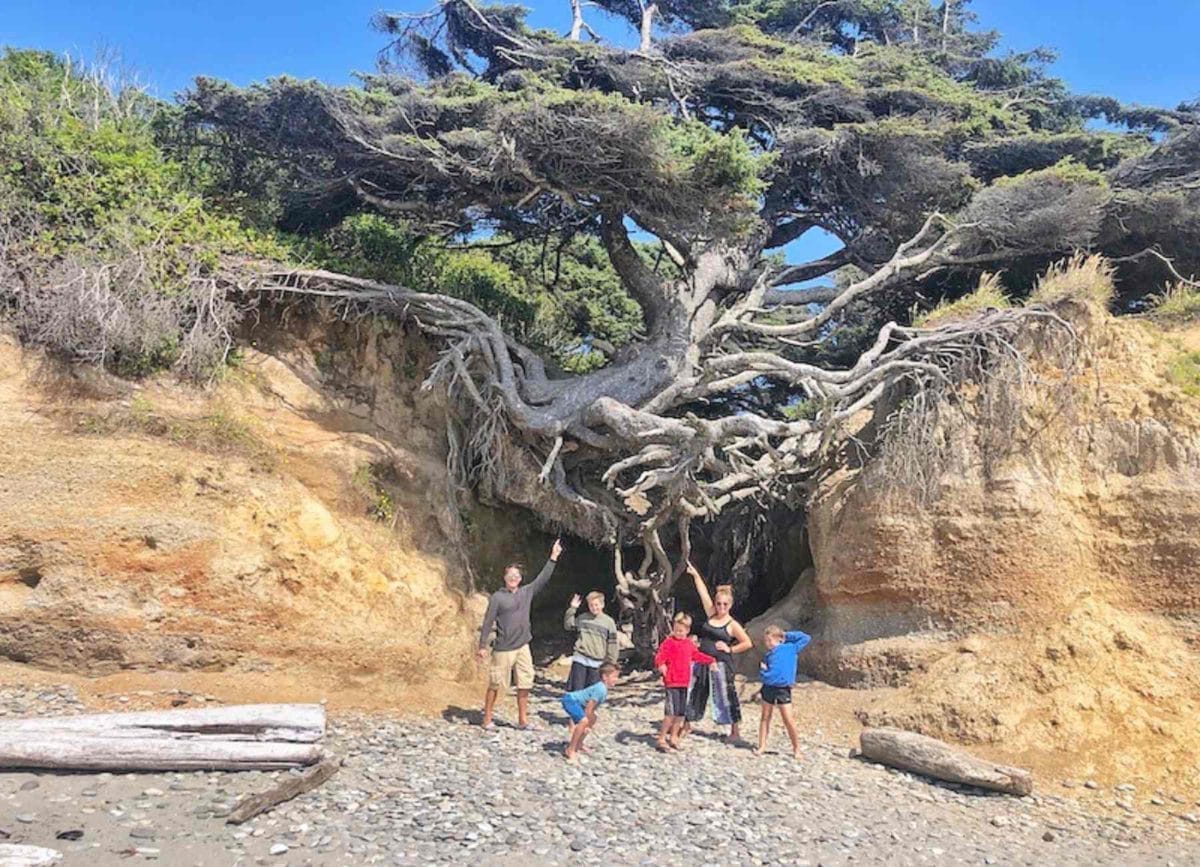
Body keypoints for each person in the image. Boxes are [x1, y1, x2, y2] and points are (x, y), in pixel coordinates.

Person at [476, 538, 563, 731]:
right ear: (505, 578)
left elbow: (543, 578)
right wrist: (482, 646)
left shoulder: (526, 592)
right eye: (510, 575)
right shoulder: (498, 598)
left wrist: (553, 557)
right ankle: (487, 719)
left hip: (523, 646)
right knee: (496, 684)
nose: (514, 578)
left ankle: (523, 720)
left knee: (525, 683)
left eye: (516, 575)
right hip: (503, 648)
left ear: (520, 578)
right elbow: (488, 622)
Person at [682, 561, 753, 743]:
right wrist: (696, 575)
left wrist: (730, 648)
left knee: (727, 695)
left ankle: (734, 731)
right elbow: (703, 593)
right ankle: (687, 724)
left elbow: (747, 643)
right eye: (719, 603)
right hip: (702, 662)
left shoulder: (732, 624)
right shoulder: (711, 614)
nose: (721, 607)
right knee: (696, 691)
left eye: (724, 604)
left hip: (721, 665)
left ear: (730, 605)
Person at [654, 612, 717, 753]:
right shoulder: (669, 642)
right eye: (676, 630)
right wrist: (661, 665)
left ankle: (674, 737)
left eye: (681, 631)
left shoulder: (689, 644)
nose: (678, 633)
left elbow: (696, 655)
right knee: (670, 712)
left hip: (684, 682)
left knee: (680, 713)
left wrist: (711, 660)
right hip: (671, 682)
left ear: (687, 631)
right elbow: (660, 656)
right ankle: (662, 737)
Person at [755, 625, 811, 758]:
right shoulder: (769, 655)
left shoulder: (790, 648)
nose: (768, 644)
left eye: (770, 640)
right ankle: (761, 746)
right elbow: (767, 673)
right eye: (766, 641)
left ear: (778, 639)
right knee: (765, 717)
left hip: (783, 689)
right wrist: (763, 671)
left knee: (788, 719)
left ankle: (797, 749)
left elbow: (806, 638)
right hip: (768, 687)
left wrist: (785, 635)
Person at [560, 661, 620, 761]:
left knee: (592, 719)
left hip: (576, 702)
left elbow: (593, 708)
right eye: (614, 677)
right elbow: (589, 707)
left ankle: (579, 743)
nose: (616, 680)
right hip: (570, 700)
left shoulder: (603, 689)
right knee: (584, 721)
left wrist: (590, 722)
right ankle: (571, 749)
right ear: (605, 677)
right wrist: (587, 723)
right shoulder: (600, 689)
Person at [564, 591, 620, 693]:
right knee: (577, 691)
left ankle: (589, 709)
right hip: (581, 657)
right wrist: (572, 609)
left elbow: (612, 644)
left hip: (597, 661)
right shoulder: (583, 618)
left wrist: (611, 663)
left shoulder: (609, 622)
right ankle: (578, 709)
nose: (594, 608)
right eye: (591, 605)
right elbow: (568, 626)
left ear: (602, 605)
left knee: (592, 692)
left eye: (596, 605)